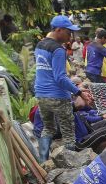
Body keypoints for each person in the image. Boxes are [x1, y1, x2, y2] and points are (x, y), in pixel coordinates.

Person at [34, 15, 93, 162]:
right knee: (68, 134)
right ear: (59, 30)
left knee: (48, 128)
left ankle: (43, 162)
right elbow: (60, 78)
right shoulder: (58, 50)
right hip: (58, 96)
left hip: (41, 95)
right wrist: (79, 92)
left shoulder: (40, 45)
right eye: (68, 32)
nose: (70, 36)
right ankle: (69, 165)